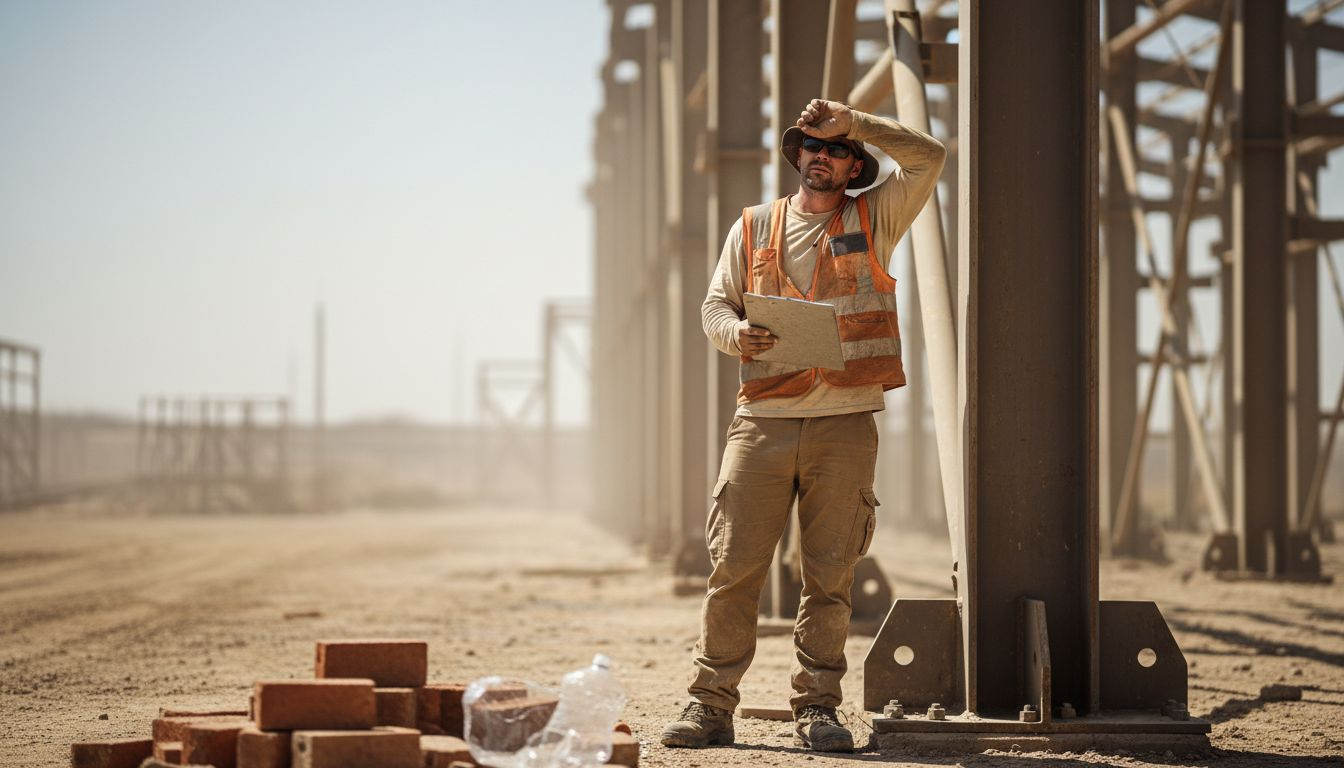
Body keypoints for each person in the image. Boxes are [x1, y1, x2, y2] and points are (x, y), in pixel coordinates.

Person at [661, 98, 946, 753]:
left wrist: (857, 122)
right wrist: (735, 333)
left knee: (830, 576)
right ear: (798, 156)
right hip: (762, 421)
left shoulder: (874, 217)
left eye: (837, 149)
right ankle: (710, 705)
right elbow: (714, 305)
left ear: (854, 168)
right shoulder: (754, 226)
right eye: (813, 145)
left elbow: (930, 157)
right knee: (734, 571)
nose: (823, 155)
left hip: (844, 423)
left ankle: (818, 707)